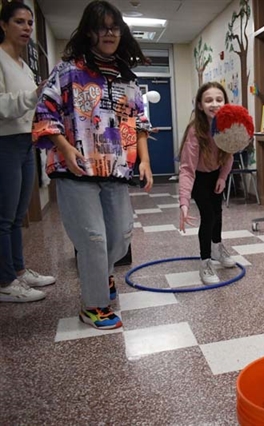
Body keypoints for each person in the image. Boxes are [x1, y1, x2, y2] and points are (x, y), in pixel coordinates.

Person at [32, 0, 153, 329]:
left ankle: (102, 276)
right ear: (90, 32)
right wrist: (64, 147)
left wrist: (143, 160)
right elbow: (45, 113)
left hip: (115, 171)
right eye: (102, 28)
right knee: (93, 239)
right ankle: (94, 305)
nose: (109, 33)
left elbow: (137, 123)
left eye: (114, 27)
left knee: (120, 236)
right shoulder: (68, 70)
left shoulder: (127, 78)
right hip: (76, 171)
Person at [0, 2, 55, 303]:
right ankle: (6, 281)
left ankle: (19, 271)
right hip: (4, 142)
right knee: (5, 217)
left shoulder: (24, 65)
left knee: (19, 214)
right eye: (19, 22)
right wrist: (33, 95)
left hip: (25, 141)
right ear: (4, 25)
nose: (26, 28)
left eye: (30, 23)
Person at [178, 82, 235, 285]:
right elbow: (186, 169)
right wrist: (184, 202)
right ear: (200, 105)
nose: (214, 104)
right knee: (208, 215)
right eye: (209, 100)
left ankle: (217, 247)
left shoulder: (227, 126)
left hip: (215, 175)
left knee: (217, 212)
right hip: (198, 178)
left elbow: (229, 155)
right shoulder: (195, 131)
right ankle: (205, 262)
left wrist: (222, 178)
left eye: (219, 99)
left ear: (225, 103)